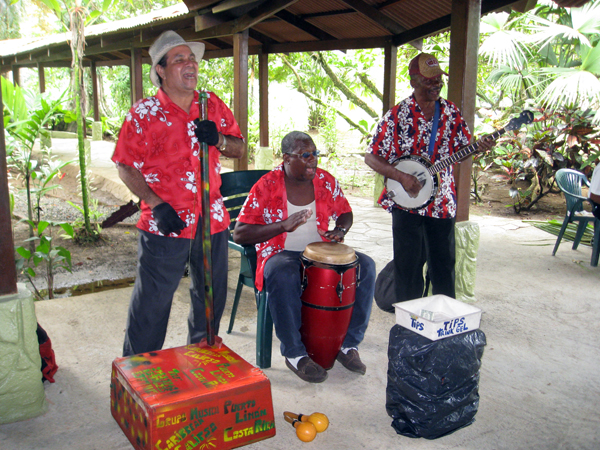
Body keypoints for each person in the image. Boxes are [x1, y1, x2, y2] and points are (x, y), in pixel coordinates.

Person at [111, 30, 245, 357]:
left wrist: (219, 140)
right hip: (165, 220)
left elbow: (239, 147)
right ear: (160, 69)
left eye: (192, 59)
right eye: (180, 59)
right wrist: (155, 204)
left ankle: (202, 362)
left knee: (210, 300)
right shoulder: (143, 114)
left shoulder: (210, 104)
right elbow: (125, 165)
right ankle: (138, 375)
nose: (190, 65)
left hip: (211, 219)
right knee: (153, 304)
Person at [233, 131, 376, 383]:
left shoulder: (324, 180)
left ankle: (348, 345)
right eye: (305, 155)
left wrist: (340, 230)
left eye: (315, 154)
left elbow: (345, 213)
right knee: (283, 273)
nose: (313, 160)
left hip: (320, 254)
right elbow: (241, 233)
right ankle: (295, 354)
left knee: (366, 265)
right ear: (287, 158)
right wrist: (282, 226)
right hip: (280, 253)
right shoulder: (266, 185)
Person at [365, 53, 495, 308]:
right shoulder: (397, 116)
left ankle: (445, 316)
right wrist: (401, 176)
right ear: (414, 81)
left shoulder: (450, 113)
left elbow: (463, 149)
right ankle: (408, 322)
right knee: (407, 265)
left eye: (438, 80)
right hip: (406, 203)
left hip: (442, 203)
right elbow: (372, 158)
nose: (436, 85)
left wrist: (479, 147)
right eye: (429, 81)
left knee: (444, 265)